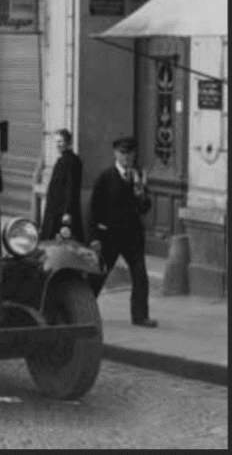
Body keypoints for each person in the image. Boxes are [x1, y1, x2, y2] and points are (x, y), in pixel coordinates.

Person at [90, 136, 157, 328]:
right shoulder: (105, 177)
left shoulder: (137, 177)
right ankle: (83, 310)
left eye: (130, 154)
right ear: (115, 154)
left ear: (134, 155)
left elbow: (145, 207)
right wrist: (95, 237)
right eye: (122, 153)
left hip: (132, 236)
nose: (126, 157)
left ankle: (140, 316)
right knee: (98, 275)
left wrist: (140, 192)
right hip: (110, 236)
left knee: (140, 276)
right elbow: (94, 209)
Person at [39, 129, 84, 242]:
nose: (57, 145)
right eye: (56, 142)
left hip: (62, 212)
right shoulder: (62, 160)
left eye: (60, 141)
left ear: (68, 142)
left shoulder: (72, 161)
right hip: (55, 209)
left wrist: (67, 212)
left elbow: (71, 187)